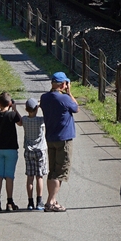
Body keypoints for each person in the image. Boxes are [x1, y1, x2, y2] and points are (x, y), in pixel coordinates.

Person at [39, 71, 78, 212]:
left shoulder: (44, 98)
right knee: (60, 172)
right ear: (63, 85)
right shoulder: (65, 99)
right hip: (64, 139)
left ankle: (53, 200)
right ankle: (50, 202)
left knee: (52, 171)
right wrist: (69, 93)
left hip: (50, 138)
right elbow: (76, 108)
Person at [0, 91, 22, 212]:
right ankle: (9, 202)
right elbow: (20, 123)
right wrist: (14, 109)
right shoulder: (12, 115)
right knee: (9, 176)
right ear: (10, 103)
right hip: (11, 149)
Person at [20, 97, 48, 210]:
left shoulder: (24, 120)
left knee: (30, 177)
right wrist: (42, 106)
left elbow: (19, 121)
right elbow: (48, 117)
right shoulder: (41, 120)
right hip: (40, 150)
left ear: (26, 109)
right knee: (39, 177)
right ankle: (39, 201)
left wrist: (15, 109)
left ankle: (30, 202)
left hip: (28, 151)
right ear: (37, 108)